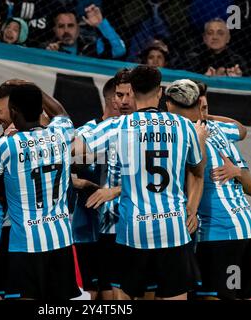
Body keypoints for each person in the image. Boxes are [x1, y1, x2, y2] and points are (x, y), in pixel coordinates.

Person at [75, 65, 206, 300]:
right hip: (173, 229)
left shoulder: (118, 126)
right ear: (161, 91)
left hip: (134, 231)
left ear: (133, 91)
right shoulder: (183, 125)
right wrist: (192, 210)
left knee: (123, 299)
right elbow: (197, 169)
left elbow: (76, 151)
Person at [0, 83, 81, 300]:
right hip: (60, 241)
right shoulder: (62, 133)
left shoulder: (8, 145)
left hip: (25, 244)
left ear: (13, 111)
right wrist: (33, 87)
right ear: (40, 109)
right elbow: (61, 113)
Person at [165, 79, 251, 300]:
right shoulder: (221, 130)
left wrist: (190, 210)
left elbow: (195, 175)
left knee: (213, 296)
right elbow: (242, 129)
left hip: (220, 234)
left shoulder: (186, 135)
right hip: (248, 229)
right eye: (204, 107)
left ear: (169, 104)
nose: (206, 112)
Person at [71, 77, 121, 300]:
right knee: (94, 292)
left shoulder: (129, 133)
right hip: (88, 227)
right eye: (123, 95)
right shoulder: (87, 133)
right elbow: (69, 174)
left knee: (115, 290)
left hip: (119, 228)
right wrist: (87, 185)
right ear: (113, 99)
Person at [45, 5, 126, 59]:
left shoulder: (91, 46)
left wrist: (100, 24)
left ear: (78, 28)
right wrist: (49, 56)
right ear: (54, 30)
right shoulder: (48, 48)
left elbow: (119, 50)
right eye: (61, 26)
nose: (66, 30)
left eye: (70, 25)